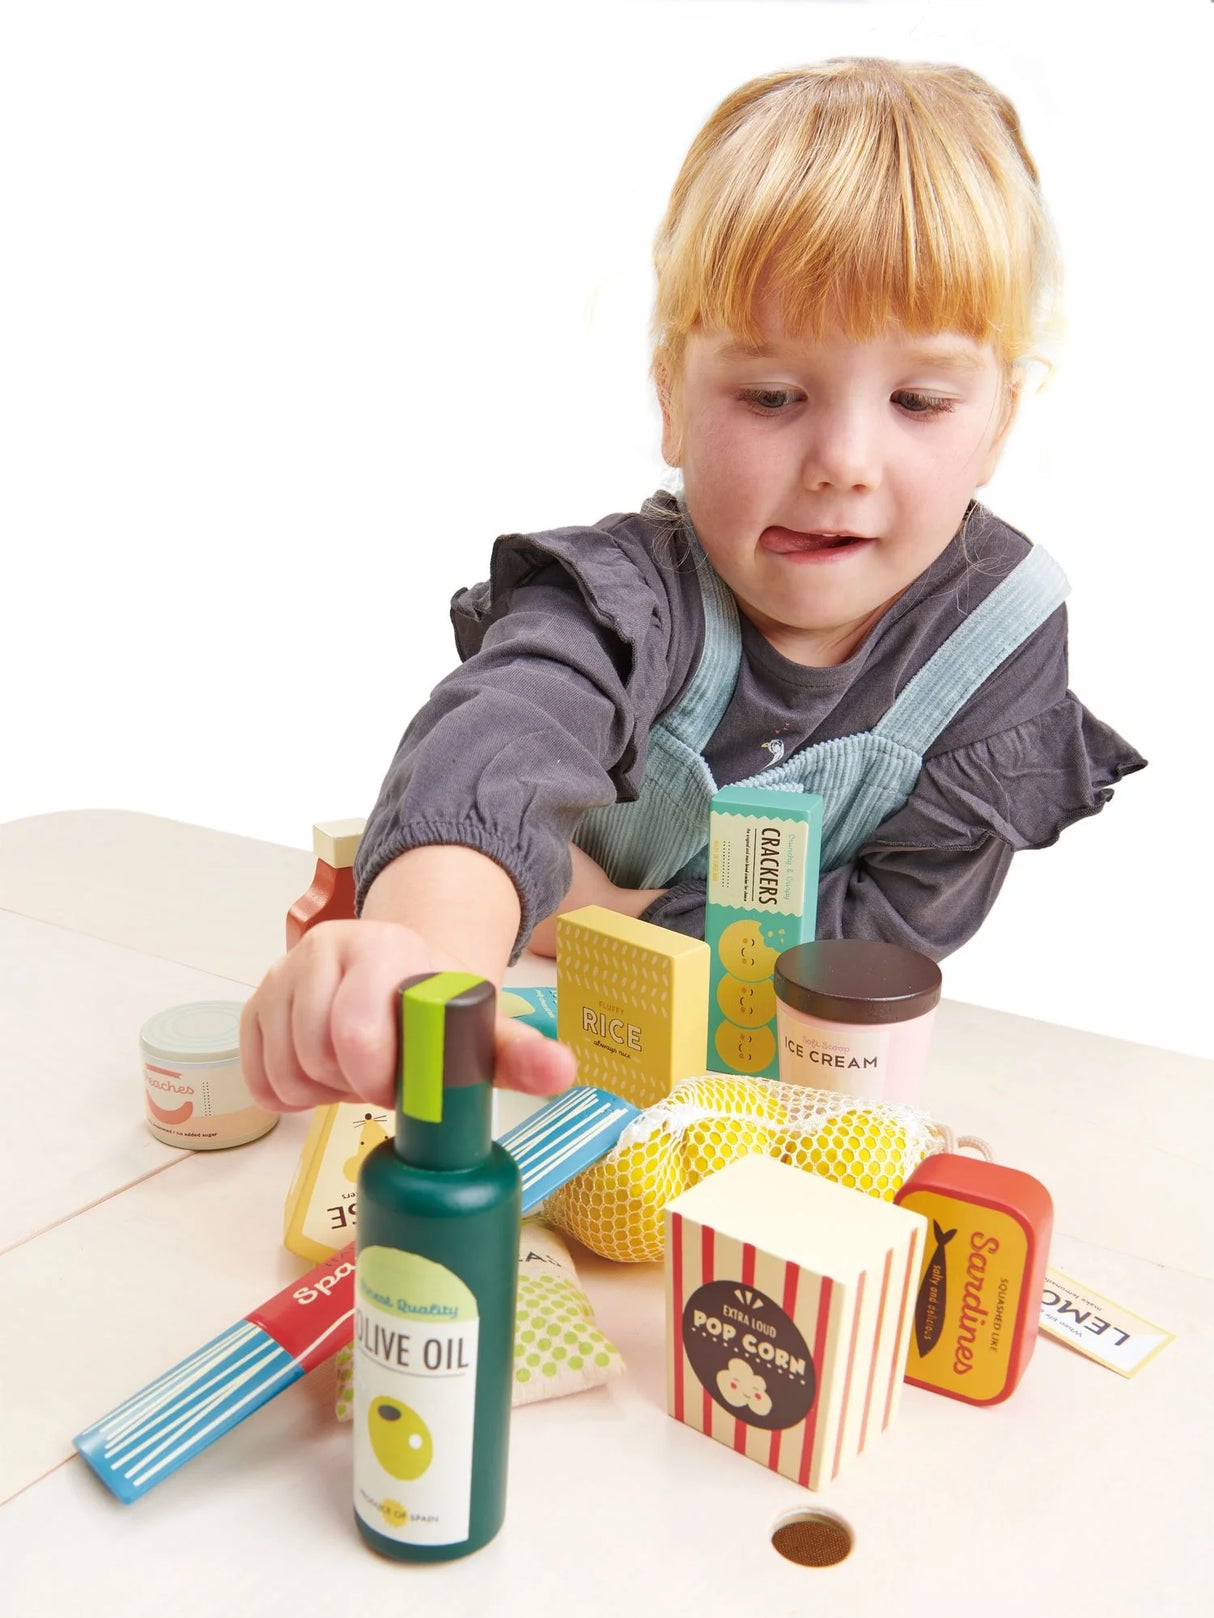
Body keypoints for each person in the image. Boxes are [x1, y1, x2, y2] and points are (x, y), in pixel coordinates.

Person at [241, 57, 1143, 1117]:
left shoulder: (1001, 636)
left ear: (997, 425)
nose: (843, 462)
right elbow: (493, 748)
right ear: (671, 396)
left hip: (773, 1081)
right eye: (771, 395)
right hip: (544, 1041)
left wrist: (601, 914)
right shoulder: (625, 597)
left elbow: (881, 941)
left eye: (918, 400)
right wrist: (427, 963)